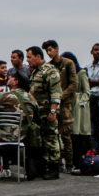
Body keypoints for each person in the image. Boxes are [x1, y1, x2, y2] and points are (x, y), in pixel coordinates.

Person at [26, 45, 62, 180]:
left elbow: (56, 93)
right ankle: (43, 167)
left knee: (51, 139)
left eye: (30, 57)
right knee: (41, 140)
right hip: (37, 113)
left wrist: (53, 111)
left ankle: (54, 168)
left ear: (38, 56)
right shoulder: (36, 71)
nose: (28, 60)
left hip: (47, 112)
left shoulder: (50, 71)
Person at [43, 40, 76, 170]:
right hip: (53, 105)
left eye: (50, 50)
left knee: (66, 134)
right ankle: (58, 161)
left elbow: (73, 83)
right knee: (54, 134)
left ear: (56, 49)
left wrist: (60, 97)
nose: (49, 53)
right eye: (47, 51)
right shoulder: (48, 66)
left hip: (65, 104)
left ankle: (69, 162)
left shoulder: (68, 63)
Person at [63, 52, 91, 172]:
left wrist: (77, 99)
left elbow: (87, 92)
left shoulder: (81, 73)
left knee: (79, 135)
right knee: (70, 136)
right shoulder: (66, 75)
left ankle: (79, 162)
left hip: (80, 109)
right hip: (69, 108)